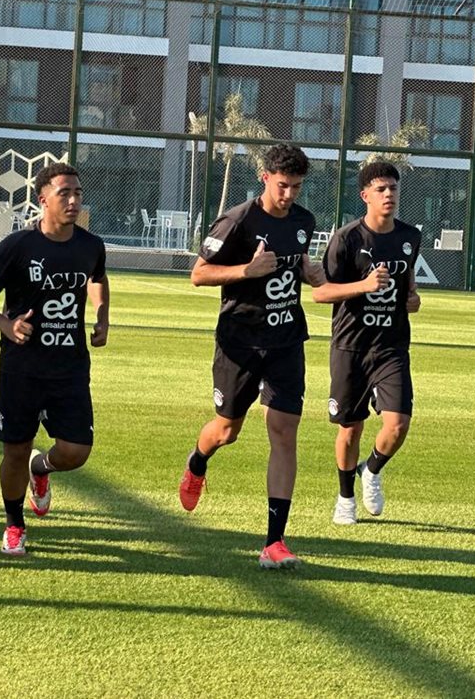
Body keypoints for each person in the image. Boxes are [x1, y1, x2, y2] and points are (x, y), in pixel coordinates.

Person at [177, 144, 319, 569]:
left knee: (284, 431)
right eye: (283, 186)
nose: (289, 195)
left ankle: (275, 541)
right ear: (264, 177)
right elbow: (198, 274)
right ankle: (197, 461)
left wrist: (314, 275)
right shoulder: (237, 221)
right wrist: (246, 271)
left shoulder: (303, 221)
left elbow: (300, 266)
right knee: (226, 431)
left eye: (296, 187)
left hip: (286, 340)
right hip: (239, 343)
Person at [0, 162, 109, 557]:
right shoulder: (17, 246)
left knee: (76, 451)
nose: (73, 200)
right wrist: (6, 325)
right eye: (64, 193)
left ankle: (40, 468)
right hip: (22, 367)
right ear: (42, 199)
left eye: (78, 193)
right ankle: (14, 524)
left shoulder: (90, 245)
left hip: (70, 366)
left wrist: (102, 316)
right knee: (14, 450)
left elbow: (97, 278)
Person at [311, 161, 422, 524]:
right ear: (365, 196)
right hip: (351, 347)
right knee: (351, 428)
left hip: (391, 347)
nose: (389, 195)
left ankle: (371, 469)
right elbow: (320, 293)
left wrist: (413, 299)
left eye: (393, 188)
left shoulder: (409, 236)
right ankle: (345, 499)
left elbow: (409, 285)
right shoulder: (347, 239)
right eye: (381, 189)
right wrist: (364, 285)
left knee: (398, 425)